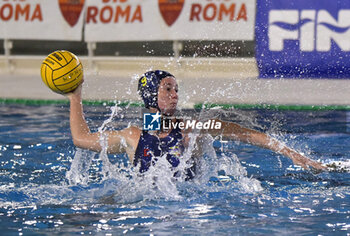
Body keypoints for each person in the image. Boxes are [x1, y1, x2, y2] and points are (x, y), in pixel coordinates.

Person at [67, 70, 325, 180]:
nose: (175, 94)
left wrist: (295, 155)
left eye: (176, 89)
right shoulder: (132, 136)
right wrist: (75, 95)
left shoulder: (194, 128)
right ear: (150, 96)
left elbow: (250, 136)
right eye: (167, 88)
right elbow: (81, 138)